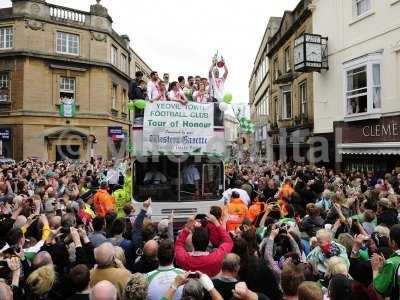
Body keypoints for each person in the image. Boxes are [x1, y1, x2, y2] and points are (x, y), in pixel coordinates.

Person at [372, 224, 400, 299]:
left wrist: (376, 270)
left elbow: (379, 289)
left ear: (393, 242)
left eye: (389, 238)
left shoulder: (391, 263)